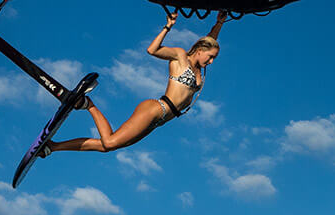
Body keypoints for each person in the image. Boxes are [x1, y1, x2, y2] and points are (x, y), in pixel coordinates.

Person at [36, 9, 227, 159]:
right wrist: (168, 27)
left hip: (160, 121)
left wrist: (219, 23)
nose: (211, 62)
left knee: (106, 147)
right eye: (210, 57)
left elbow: (211, 39)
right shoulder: (180, 56)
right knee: (110, 142)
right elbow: (152, 50)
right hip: (156, 109)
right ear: (200, 50)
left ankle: (53, 147)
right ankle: (89, 105)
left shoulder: (199, 70)